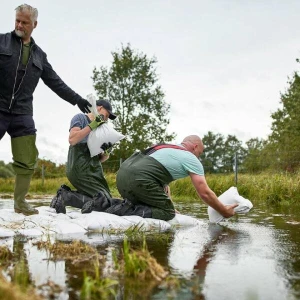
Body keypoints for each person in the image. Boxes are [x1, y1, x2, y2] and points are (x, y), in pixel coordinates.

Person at [0, 4, 92, 216]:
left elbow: (55, 82)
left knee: (27, 159)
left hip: (23, 112)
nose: (19, 25)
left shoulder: (39, 56)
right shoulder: (2, 41)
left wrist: (77, 99)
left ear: (34, 25)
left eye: (24, 22)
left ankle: (20, 203)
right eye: (17, 20)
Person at [102, 135, 238, 221]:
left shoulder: (165, 148)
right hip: (140, 179)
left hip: (122, 176)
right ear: (195, 146)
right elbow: (204, 192)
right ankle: (121, 210)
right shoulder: (190, 158)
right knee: (167, 213)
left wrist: (170, 204)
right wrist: (223, 211)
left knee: (157, 206)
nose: (198, 157)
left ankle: (106, 204)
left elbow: (163, 184)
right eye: (199, 153)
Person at [50, 99, 123, 214]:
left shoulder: (101, 130)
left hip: (93, 170)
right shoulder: (80, 118)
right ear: (99, 108)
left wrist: (106, 152)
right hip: (79, 167)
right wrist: (92, 125)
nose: (107, 119)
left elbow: (100, 159)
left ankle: (65, 195)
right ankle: (65, 196)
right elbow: (72, 139)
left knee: (106, 199)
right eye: (107, 115)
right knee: (104, 202)